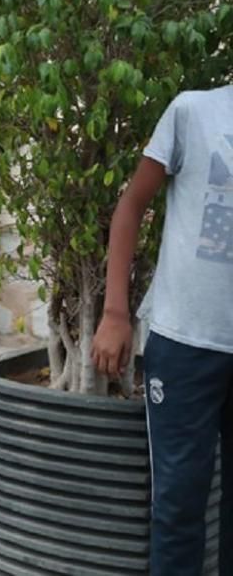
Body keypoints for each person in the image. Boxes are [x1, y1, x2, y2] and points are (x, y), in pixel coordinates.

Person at [92, 85, 233, 575]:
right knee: (178, 508)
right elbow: (132, 205)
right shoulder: (194, 111)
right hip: (186, 345)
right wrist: (115, 313)